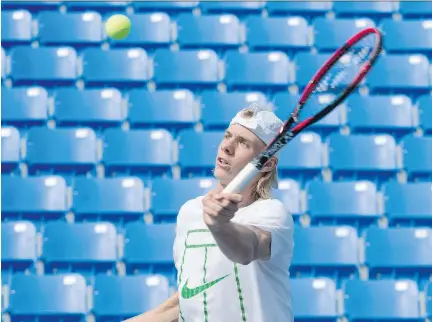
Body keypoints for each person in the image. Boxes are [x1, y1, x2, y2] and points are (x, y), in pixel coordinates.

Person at [126, 104, 294, 322]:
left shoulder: (272, 213)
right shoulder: (190, 212)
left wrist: (219, 225)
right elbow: (185, 301)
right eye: (228, 136)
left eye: (243, 143)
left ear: (268, 164)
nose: (227, 147)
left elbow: (247, 248)